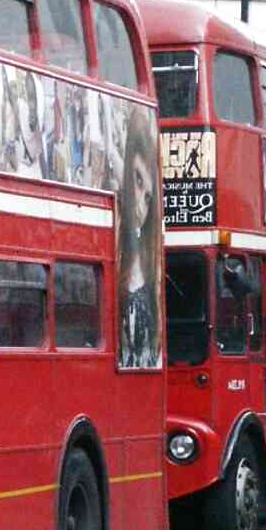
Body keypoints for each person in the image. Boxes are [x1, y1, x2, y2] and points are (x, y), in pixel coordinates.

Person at [117, 108, 163, 369]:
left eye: (148, 197)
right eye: (137, 179)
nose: (141, 207)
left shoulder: (151, 264)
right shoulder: (114, 254)